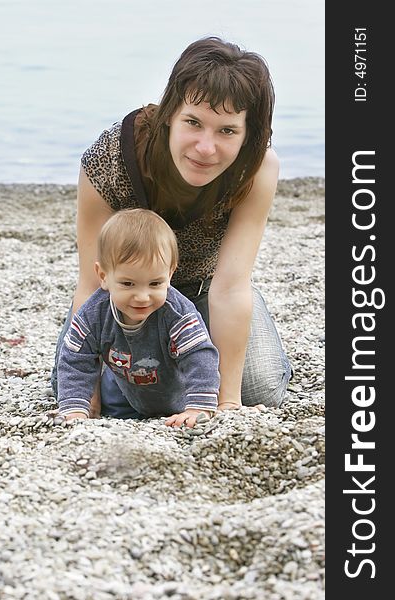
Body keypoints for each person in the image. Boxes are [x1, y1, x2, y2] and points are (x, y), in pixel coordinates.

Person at [51, 35, 292, 419]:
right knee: (73, 388)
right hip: (122, 293)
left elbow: (231, 285)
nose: (205, 147)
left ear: (248, 135)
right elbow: (90, 282)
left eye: (227, 131)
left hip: (205, 290)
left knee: (258, 390)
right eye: (193, 123)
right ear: (169, 115)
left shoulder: (257, 168)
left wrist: (226, 405)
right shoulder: (110, 157)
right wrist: (88, 403)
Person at [57, 208, 220, 428]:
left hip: (177, 396)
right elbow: (76, 358)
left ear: (170, 274)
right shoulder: (94, 314)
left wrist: (198, 406)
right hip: (124, 391)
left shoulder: (178, 313)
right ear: (104, 276)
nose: (142, 297)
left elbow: (199, 355)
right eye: (127, 284)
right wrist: (76, 409)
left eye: (155, 284)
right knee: (90, 392)